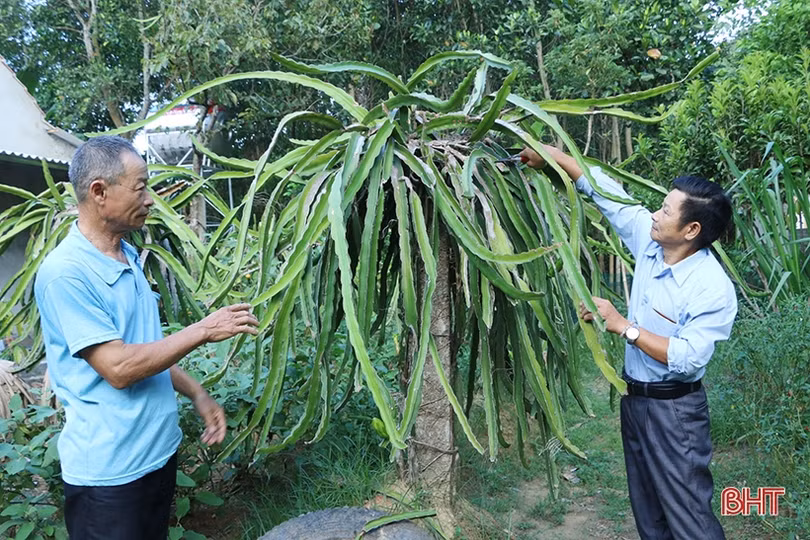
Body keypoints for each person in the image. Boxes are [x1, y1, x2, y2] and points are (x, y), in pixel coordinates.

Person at [34, 135, 259, 539]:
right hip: (109, 478)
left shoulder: (127, 256)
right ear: (99, 192)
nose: (150, 199)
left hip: (155, 457)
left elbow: (144, 350)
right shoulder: (66, 274)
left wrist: (196, 392)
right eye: (140, 188)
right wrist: (204, 330)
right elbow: (119, 368)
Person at [521, 145, 736, 540]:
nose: (655, 214)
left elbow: (688, 358)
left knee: (689, 517)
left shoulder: (711, 287)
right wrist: (549, 155)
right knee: (649, 514)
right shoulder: (652, 245)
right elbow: (605, 192)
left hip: (676, 412)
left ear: (691, 230)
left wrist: (624, 327)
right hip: (635, 402)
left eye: (666, 211)